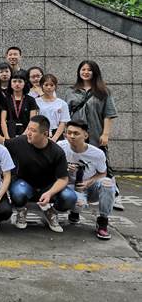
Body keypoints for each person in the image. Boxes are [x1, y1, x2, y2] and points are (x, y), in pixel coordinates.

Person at [5, 115, 77, 233]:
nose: (28, 133)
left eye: (33, 131)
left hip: (48, 187)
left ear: (45, 134)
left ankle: (51, 212)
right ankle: (21, 211)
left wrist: (49, 193)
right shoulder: (21, 141)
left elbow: (63, 179)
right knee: (18, 192)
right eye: (28, 129)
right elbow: (3, 143)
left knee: (70, 197)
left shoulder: (57, 151)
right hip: (25, 184)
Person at [65, 60, 121, 210]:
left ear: (95, 72)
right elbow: (66, 113)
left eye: (89, 70)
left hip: (95, 132)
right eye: (83, 69)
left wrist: (105, 134)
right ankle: (79, 193)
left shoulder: (103, 91)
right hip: (76, 133)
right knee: (77, 162)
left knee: (104, 165)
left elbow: (108, 114)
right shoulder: (71, 91)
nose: (86, 72)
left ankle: (114, 194)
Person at [58, 120, 115, 240]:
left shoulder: (97, 153)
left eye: (76, 133)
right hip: (71, 186)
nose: (72, 136)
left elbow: (103, 173)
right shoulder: (60, 147)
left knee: (108, 183)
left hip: (90, 186)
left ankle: (103, 221)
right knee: (78, 205)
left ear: (85, 135)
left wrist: (89, 182)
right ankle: (74, 212)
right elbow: (51, 168)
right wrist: (64, 168)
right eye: (69, 133)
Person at [0, 71, 39, 139]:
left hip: (26, 134)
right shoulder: (5, 99)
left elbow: (32, 120)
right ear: (10, 83)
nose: (17, 84)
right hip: (9, 132)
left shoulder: (31, 100)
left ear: (24, 83)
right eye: (14, 81)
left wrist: (23, 136)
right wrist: (7, 137)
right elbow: (3, 120)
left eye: (20, 81)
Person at [36, 74, 70, 142]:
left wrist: (55, 138)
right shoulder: (36, 102)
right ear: (41, 86)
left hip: (57, 133)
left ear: (55, 86)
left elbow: (63, 122)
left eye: (51, 85)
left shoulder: (62, 103)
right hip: (40, 132)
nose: (49, 87)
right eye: (46, 85)